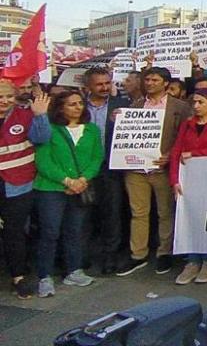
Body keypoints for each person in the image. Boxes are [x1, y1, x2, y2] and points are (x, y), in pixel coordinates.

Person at [117, 67, 191, 277]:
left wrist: (170, 155)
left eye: (154, 80)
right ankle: (138, 254)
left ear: (166, 83)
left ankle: (164, 253)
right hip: (136, 168)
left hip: (162, 168)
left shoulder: (180, 107)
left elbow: (184, 135)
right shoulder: (135, 105)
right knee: (138, 213)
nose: (149, 83)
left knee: (165, 212)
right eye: (147, 79)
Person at [34, 89, 104, 297]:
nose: (78, 107)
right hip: (51, 188)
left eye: (80, 103)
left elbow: (96, 157)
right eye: (72, 104)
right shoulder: (51, 129)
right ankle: (44, 276)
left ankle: (74, 270)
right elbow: (43, 160)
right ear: (60, 107)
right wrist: (67, 180)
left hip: (80, 187)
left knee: (75, 231)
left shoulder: (91, 130)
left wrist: (82, 180)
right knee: (50, 232)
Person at [169, 88, 207, 284]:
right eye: (194, 102)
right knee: (190, 218)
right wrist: (174, 179)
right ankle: (193, 262)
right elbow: (177, 151)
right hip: (189, 180)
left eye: (200, 102)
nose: (195, 106)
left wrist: (195, 154)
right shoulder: (187, 125)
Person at [0, 79, 51, 299]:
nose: (4, 101)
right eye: (0, 97)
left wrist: (40, 115)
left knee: (14, 232)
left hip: (17, 184)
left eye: (8, 96)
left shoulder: (24, 114)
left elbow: (42, 138)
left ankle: (18, 276)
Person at [82, 66, 131, 275]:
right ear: (87, 87)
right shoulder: (77, 107)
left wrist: (124, 120)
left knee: (112, 213)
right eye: (99, 84)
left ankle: (110, 257)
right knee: (84, 215)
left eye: (107, 83)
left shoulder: (121, 106)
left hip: (111, 168)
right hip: (82, 170)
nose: (104, 87)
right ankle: (81, 257)